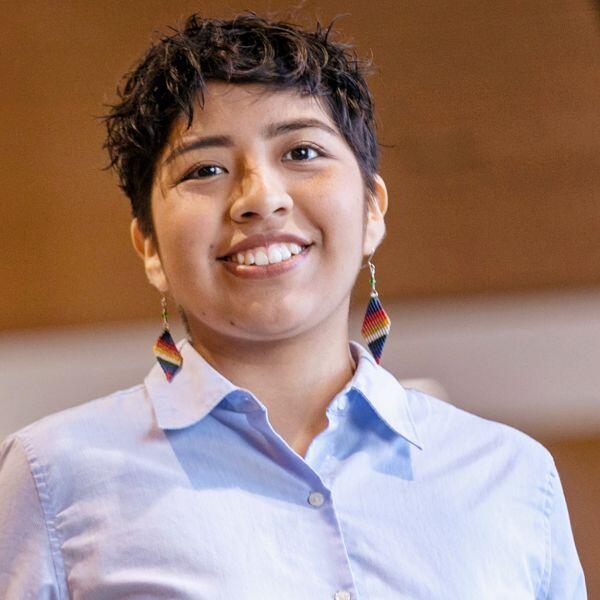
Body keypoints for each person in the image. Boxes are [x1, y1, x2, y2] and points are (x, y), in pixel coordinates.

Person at [0, 11, 587, 599]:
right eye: (205, 169)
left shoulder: (510, 474)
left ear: (372, 210)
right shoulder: (55, 476)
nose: (260, 198)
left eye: (302, 152)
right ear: (149, 246)